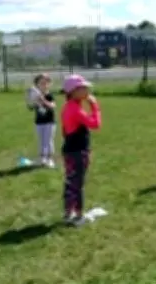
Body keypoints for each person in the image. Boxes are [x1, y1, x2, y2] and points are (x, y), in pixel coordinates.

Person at [60, 74, 101, 226]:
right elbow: (95, 124)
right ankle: (78, 216)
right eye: (83, 88)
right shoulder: (75, 109)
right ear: (73, 91)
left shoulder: (68, 106)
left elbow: (65, 130)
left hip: (70, 150)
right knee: (77, 185)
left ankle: (68, 212)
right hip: (78, 152)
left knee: (70, 182)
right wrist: (95, 106)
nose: (87, 90)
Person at [30, 73, 57, 168]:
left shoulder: (49, 95)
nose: (44, 85)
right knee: (41, 141)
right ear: (37, 85)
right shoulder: (36, 95)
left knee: (48, 141)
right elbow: (32, 107)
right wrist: (32, 103)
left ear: (49, 84)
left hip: (49, 122)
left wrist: (43, 100)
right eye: (41, 83)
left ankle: (50, 159)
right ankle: (42, 158)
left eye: (46, 83)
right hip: (39, 122)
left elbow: (53, 106)